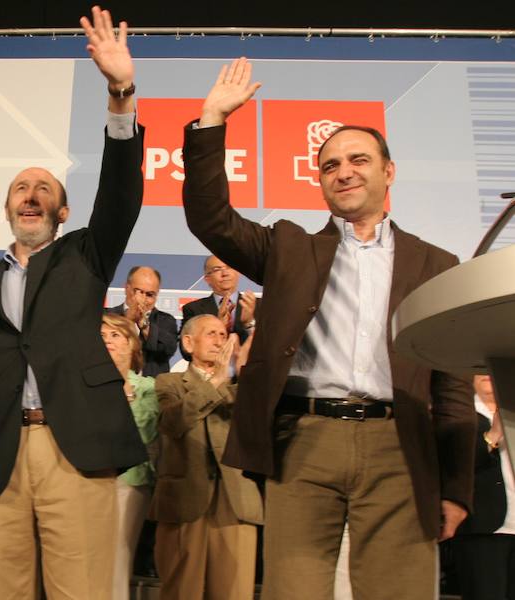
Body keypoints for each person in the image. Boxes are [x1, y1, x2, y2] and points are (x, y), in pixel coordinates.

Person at [182, 57, 475, 599]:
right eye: (330, 164)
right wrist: (212, 121)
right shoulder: (291, 248)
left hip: (399, 445)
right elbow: (210, 218)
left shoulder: (437, 263)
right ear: (319, 182)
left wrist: (455, 486)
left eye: (359, 159)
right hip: (304, 442)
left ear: (388, 172)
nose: (344, 171)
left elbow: (452, 386)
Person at [0, 7, 147, 599]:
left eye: (43, 188)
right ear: (7, 209)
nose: (30, 194)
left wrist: (120, 92)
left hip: (72, 450)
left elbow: (122, 194)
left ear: (62, 212)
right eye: (20, 188)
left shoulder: (84, 256)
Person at [152, 314, 261, 600]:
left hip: (235, 501)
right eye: (211, 333)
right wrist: (215, 382)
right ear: (188, 343)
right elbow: (172, 422)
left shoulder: (242, 388)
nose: (219, 340)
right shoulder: (169, 382)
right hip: (185, 500)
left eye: (223, 335)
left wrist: (246, 372)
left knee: (235, 592)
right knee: (180, 590)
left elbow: (257, 426)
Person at [100, 313, 158, 600]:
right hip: (90, 479)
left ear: (131, 344)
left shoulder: (148, 388)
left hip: (130, 481)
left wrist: (125, 390)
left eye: (114, 335)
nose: (107, 341)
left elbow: (145, 432)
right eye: (102, 336)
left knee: (117, 560)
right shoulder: (86, 386)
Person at [450, 374, 515, 600]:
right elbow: (456, 465)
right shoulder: (462, 414)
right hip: (485, 529)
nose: (488, 374)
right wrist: (492, 435)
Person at [180, 255, 255, 360]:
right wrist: (218, 325)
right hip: (209, 373)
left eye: (230, 267)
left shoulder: (257, 306)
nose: (225, 273)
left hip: (248, 373)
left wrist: (249, 323)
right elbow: (186, 352)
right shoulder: (193, 309)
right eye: (217, 269)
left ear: (238, 272)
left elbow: (268, 348)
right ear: (207, 279)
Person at [106, 266, 178, 376]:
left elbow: (168, 349)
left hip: (151, 389)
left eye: (150, 294)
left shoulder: (166, 320)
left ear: (157, 294)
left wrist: (143, 324)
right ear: (126, 288)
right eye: (138, 291)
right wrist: (128, 320)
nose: (143, 299)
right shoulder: (107, 316)